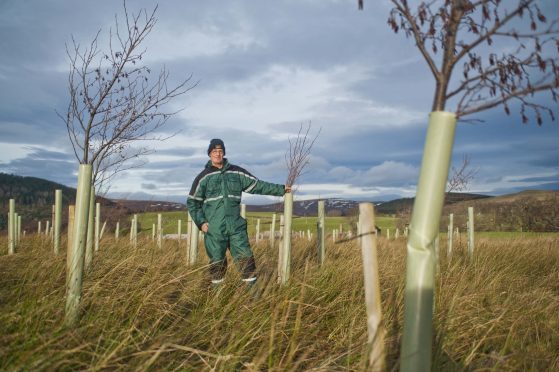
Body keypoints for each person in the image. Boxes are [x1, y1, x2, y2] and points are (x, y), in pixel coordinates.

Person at [187, 139, 291, 287]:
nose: (218, 154)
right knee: (217, 265)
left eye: (220, 151)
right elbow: (193, 202)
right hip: (215, 229)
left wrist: (280, 189)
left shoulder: (236, 172)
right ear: (209, 154)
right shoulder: (203, 177)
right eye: (214, 151)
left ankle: (254, 301)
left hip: (236, 227)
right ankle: (218, 301)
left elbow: (257, 185)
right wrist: (202, 223)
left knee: (246, 262)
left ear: (224, 153)